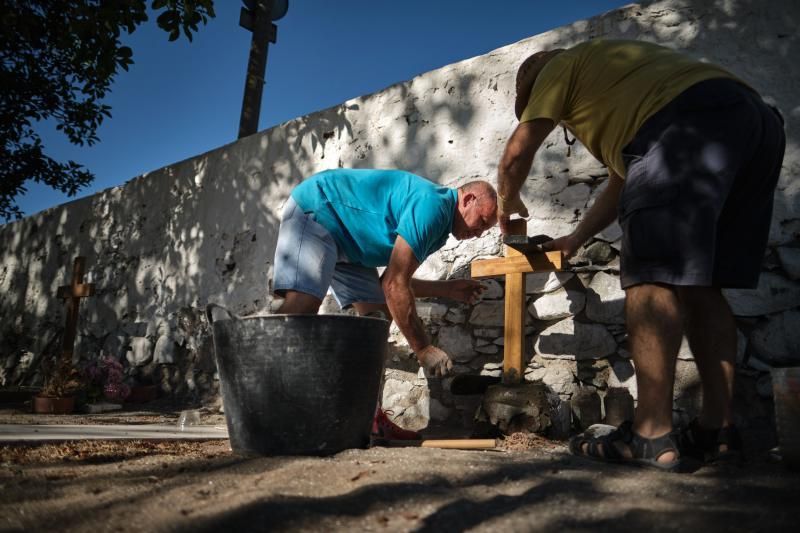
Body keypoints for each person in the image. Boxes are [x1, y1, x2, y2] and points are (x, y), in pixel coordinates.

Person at [497, 39, 785, 471]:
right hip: (755, 124)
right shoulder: (620, 80)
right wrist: (575, 238)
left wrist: (507, 205)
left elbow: (516, 154)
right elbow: (621, 180)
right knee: (704, 287)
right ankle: (717, 434)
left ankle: (650, 434)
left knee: (652, 275)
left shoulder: (559, 67)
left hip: (683, 127)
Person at [273, 168, 498, 439]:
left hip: (351, 244)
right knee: (302, 307)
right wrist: (423, 347)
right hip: (320, 210)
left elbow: (392, 279)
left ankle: (369, 417)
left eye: (486, 230)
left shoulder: (439, 227)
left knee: (377, 322)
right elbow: (394, 285)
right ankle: (263, 400)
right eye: (483, 222)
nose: (480, 234)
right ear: (468, 199)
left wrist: (447, 289)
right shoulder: (435, 207)